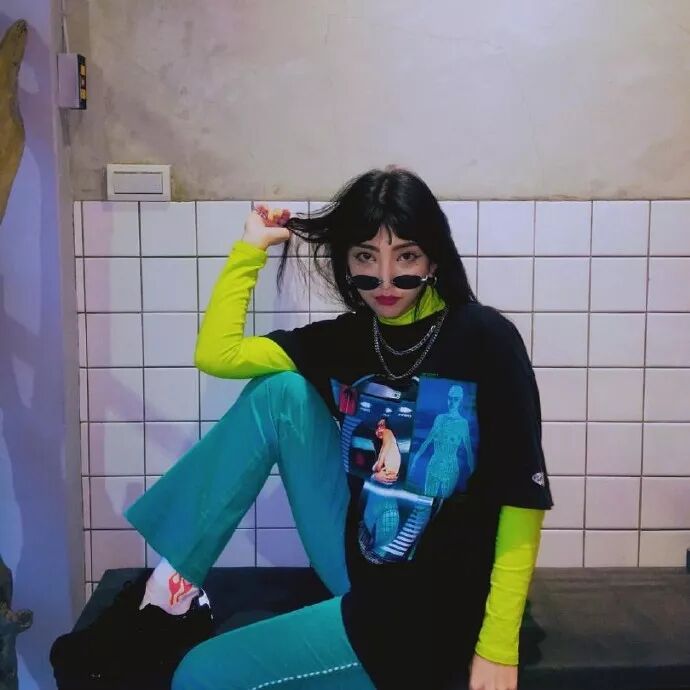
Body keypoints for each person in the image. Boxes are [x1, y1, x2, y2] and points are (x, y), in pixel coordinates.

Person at [50, 166, 554, 690]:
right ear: (346, 262)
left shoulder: (485, 339)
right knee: (280, 393)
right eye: (365, 257)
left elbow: (522, 497)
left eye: (405, 257)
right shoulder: (350, 339)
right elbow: (217, 354)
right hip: (365, 559)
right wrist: (252, 246)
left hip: (430, 605)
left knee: (198, 676)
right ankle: (172, 588)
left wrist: (498, 646)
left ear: (433, 258)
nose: (385, 280)